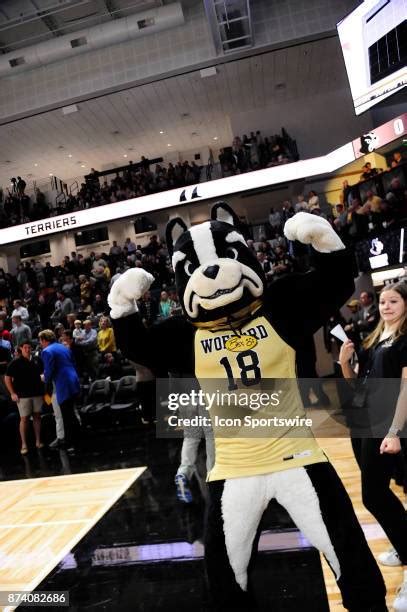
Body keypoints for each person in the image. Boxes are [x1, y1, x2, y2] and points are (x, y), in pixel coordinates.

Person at [339, 281, 407, 611]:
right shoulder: (376, 336)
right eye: (382, 301)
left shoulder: (405, 340)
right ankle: (403, 544)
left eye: (393, 301)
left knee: (375, 494)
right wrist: (343, 362)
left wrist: (394, 431)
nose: (386, 306)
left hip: (390, 424)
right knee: (377, 493)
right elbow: (358, 383)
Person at [39, 330, 81, 451]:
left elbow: (49, 371)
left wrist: (44, 377)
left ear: (44, 340)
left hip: (63, 384)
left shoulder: (46, 351)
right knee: (72, 413)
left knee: (67, 415)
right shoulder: (63, 347)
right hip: (73, 380)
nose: (40, 344)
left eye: (41, 341)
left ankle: (71, 443)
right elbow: (73, 363)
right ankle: (77, 439)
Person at [5, 342, 44, 454]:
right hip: (22, 396)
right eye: (25, 347)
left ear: (31, 348)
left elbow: (43, 373)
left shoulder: (37, 360)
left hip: (37, 393)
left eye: (29, 347)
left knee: (37, 416)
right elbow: (7, 378)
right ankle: (24, 444)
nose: (27, 349)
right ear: (21, 349)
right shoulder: (15, 362)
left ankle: (38, 441)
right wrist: (12, 393)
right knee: (24, 419)